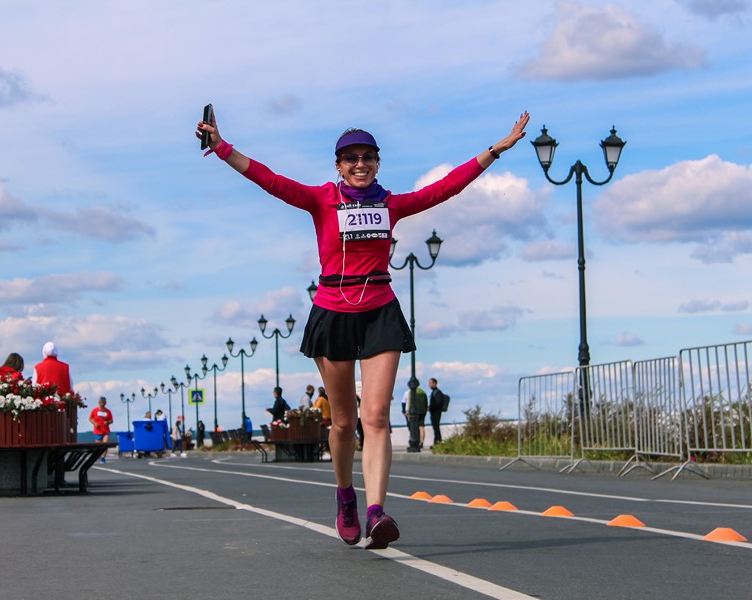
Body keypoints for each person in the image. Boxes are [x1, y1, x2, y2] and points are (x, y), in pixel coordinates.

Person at [197, 106, 529, 550]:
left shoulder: (390, 205)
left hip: (379, 311)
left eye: (367, 157)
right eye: (351, 158)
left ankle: (376, 511)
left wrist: (496, 150)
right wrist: (221, 147)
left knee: (376, 417)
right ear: (338, 166)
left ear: (377, 162)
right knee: (342, 422)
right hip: (333, 312)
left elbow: (445, 188)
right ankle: (345, 496)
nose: (360, 164)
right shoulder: (320, 199)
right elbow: (269, 179)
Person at [403, 378, 428, 452]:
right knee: (421, 427)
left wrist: (406, 411)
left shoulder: (409, 392)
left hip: (413, 412)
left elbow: (407, 402)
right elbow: (426, 402)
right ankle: (421, 442)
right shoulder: (422, 392)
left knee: (412, 427)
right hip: (422, 412)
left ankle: (414, 441)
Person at [89, 396, 114, 463]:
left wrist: (107, 422)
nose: (102, 404)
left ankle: (103, 458)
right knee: (98, 446)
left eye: (103, 402)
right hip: (97, 430)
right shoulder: (95, 410)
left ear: (105, 403)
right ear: (99, 402)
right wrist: (94, 423)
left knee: (105, 444)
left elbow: (111, 420)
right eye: (101, 402)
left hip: (106, 430)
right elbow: (90, 419)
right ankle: (98, 456)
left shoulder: (108, 411)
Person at [428, 378, 445, 447]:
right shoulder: (434, 392)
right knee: (435, 428)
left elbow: (438, 403)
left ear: (434, 383)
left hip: (436, 412)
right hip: (434, 412)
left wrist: (430, 407)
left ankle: (437, 442)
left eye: (430, 383)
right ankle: (437, 441)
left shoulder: (437, 392)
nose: (429, 385)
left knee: (436, 427)